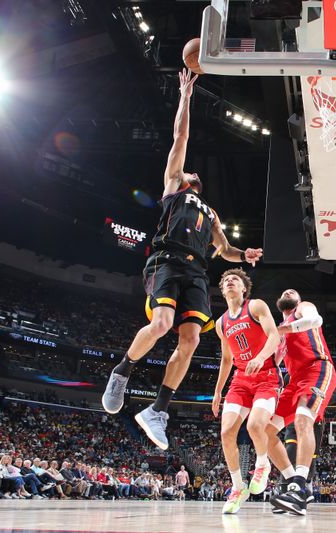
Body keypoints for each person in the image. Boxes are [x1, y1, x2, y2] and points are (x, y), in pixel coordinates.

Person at [101, 68, 263, 450]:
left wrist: (246, 254)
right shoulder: (174, 187)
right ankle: (122, 371)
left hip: (197, 271)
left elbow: (224, 250)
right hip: (167, 260)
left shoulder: (212, 214)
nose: (190, 168)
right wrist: (185, 97)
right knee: (162, 323)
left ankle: (157, 410)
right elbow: (181, 136)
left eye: (191, 171)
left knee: (190, 340)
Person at [212, 269, 281, 514]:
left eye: (236, 280)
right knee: (227, 432)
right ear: (222, 290)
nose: (230, 281)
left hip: (267, 376)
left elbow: (274, 336)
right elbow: (227, 358)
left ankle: (262, 464)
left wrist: (261, 358)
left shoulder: (256, 306)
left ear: (243, 289)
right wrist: (218, 391)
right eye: (226, 280)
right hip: (240, 380)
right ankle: (238, 487)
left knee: (254, 426)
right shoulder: (221, 323)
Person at [267, 289, 336, 515]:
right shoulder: (278, 334)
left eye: (292, 291)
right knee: (264, 431)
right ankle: (293, 485)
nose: (288, 291)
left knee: (302, 420)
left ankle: (299, 486)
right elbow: (273, 362)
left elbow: (315, 319)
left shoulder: (302, 308)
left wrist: (282, 329)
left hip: (317, 368)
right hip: (294, 380)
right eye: (284, 291)